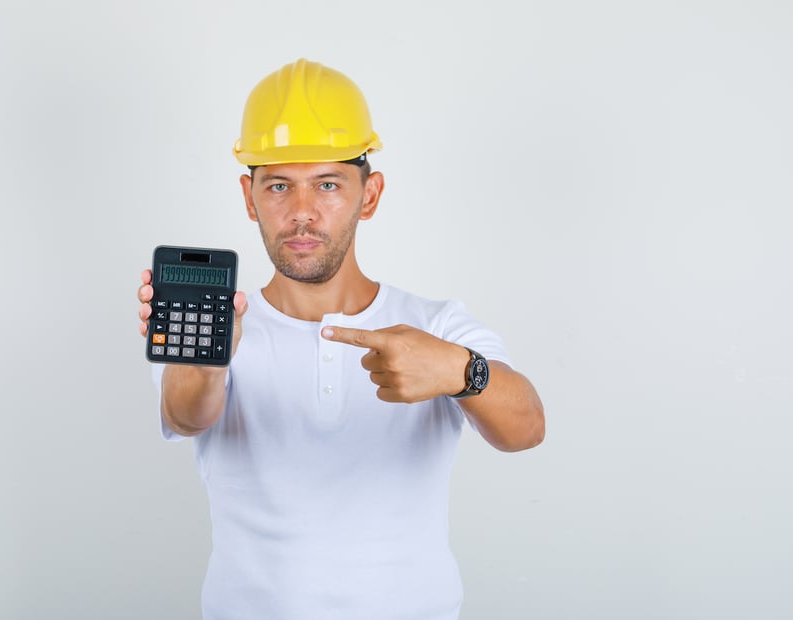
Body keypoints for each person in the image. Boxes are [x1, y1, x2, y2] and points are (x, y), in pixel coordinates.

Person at [137, 58, 544, 620]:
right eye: (278, 186)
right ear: (250, 197)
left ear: (369, 195)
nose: (302, 213)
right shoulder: (213, 327)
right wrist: (209, 361)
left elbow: (527, 428)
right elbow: (186, 415)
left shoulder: (439, 324)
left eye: (327, 184)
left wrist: (458, 370)